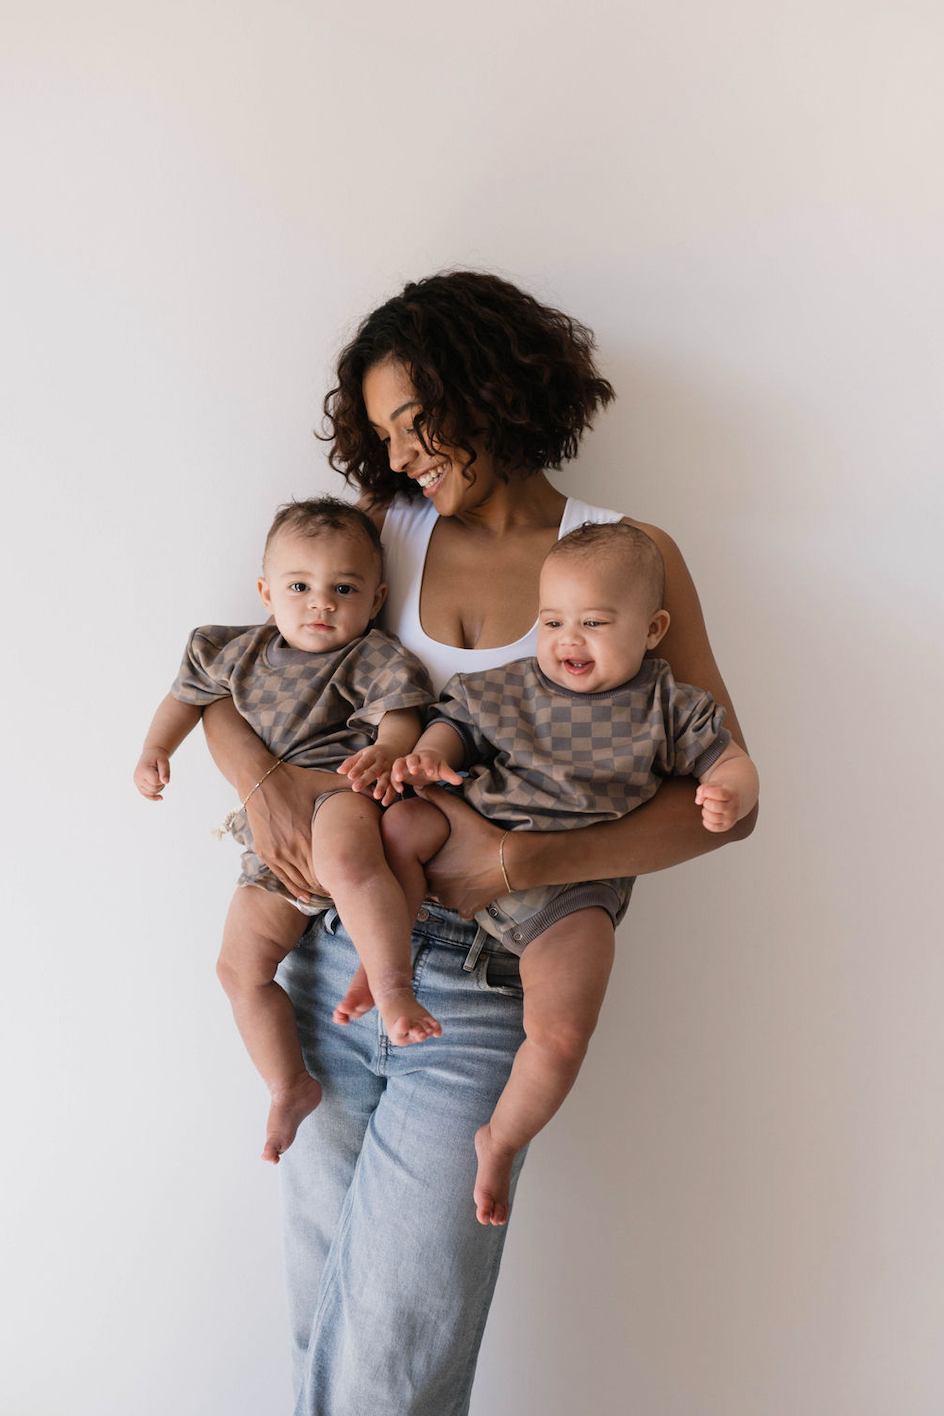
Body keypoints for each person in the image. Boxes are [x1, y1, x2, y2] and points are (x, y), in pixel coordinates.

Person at [201, 271, 757, 1416]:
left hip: (492, 985)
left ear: (491, 388)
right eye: (383, 430)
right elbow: (224, 679)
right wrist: (258, 781)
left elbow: (723, 803)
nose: (402, 453)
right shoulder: (379, 540)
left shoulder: (623, 554)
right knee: (328, 1325)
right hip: (327, 962)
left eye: (417, 418)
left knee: (390, 1363)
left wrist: (516, 864)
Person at [339, 521, 758, 1227]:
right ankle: (382, 969)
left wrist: (730, 789)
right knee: (399, 829)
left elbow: (730, 763)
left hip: (571, 894)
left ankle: (501, 1137)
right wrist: (430, 756)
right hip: (470, 834)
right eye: (553, 620)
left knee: (563, 1030)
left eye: (594, 623)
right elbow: (455, 723)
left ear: (653, 628)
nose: (569, 639)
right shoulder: (510, 687)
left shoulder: (668, 707)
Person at [133, 497, 436, 1164]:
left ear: (376, 597)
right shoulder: (230, 651)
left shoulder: (374, 658)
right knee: (239, 967)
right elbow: (185, 699)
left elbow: (400, 718)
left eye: (344, 589)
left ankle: (392, 987)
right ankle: (287, 1083)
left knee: (350, 865)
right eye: (299, 587)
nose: (320, 604)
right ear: (267, 592)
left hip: (341, 793)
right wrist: (157, 750)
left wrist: (388, 750)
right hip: (266, 842)